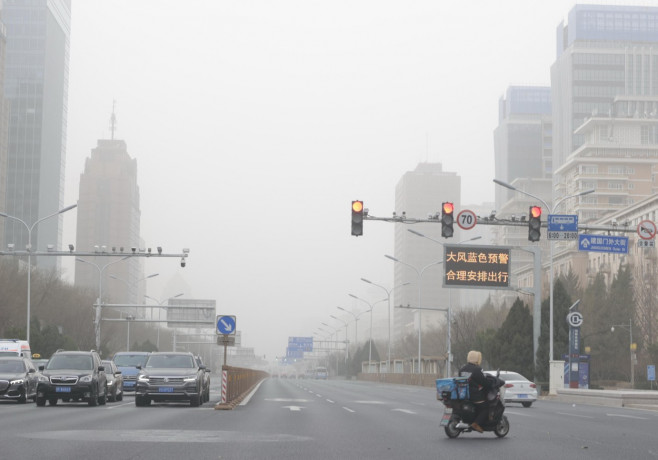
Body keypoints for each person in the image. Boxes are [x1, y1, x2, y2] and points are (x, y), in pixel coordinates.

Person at [458, 350, 490, 433]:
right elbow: (484, 382)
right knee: (486, 407)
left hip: (463, 395)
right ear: (477, 359)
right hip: (475, 396)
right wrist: (490, 384)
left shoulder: (462, 369)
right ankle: (476, 424)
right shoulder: (477, 369)